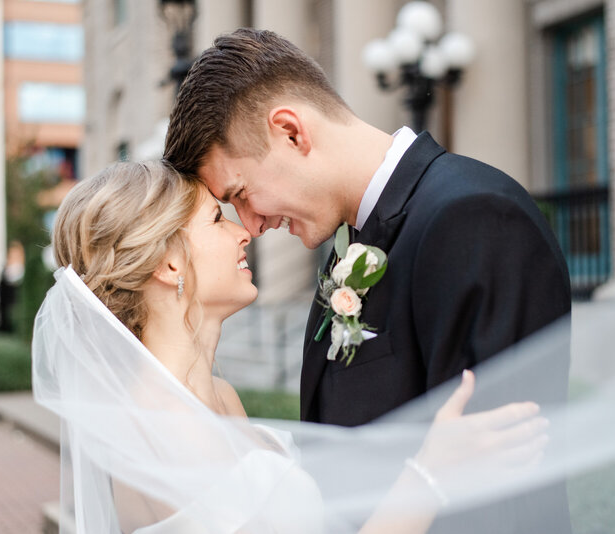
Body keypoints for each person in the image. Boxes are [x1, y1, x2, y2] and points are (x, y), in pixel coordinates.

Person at [163, 28, 572, 531]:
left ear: (291, 132)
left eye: (243, 192)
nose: (252, 225)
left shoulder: (474, 219)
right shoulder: (346, 249)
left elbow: (494, 490)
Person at [33, 160, 548, 533]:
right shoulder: (165, 426)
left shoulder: (218, 398)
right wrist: (431, 474)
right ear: (169, 265)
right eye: (217, 219)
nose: (242, 233)